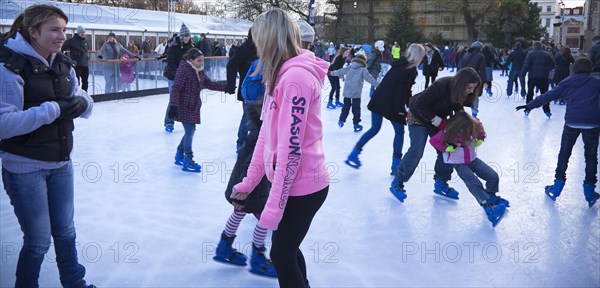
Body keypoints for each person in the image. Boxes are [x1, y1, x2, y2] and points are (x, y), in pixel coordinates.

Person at [230, 8, 330, 288]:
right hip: (294, 182)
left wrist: (274, 206)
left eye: (259, 40)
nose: (256, 46)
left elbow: (290, 150)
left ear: (270, 40)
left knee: (282, 252)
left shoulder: (295, 79)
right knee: (287, 248)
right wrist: (250, 181)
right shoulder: (279, 74)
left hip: (305, 185)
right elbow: (266, 134)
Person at [0, 4, 96, 288]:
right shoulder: (9, 68)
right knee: (39, 241)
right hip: (24, 167)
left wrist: (83, 104)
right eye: (54, 29)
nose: (61, 36)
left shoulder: (62, 63)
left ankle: (74, 282)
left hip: (61, 162)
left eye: (64, 30)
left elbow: (80, 96)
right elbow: (4, 124)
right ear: (33, 31)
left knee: (66, 231)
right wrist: (53, 110)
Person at [214, 59, 276, 278]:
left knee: (239, 212)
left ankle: (224, 246)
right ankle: (258, 257)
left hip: (244, 183)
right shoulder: (264, 131)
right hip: (254, 184)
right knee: (268, 217)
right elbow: (254, 162)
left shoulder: (255, 127)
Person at [516, 58, 600, 208]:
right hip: (593, 124)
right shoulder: (595, 82)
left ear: (574, 68)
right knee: (591, 157)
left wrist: (529, 105)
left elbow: (547, 96)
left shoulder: (568, 83)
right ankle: (589, 191)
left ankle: (556, 187)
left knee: (564, 154)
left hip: (572, 123)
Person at [389, 67, 481, 202]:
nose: (471, 91)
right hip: (417, 115)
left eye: (474, 88)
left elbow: (458, 109)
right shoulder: (441, 85)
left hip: (437, 120)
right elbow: (418, 104)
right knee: (417, 149)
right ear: (462, 83)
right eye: (470, 87)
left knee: (447, 148)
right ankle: (398, 181)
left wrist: (465, 124)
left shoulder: (461, 93)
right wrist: (435, 119)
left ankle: (441, 183)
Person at [345, 44, 425, 174]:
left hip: (379, 99)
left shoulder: (398, 64)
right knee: (399, 132)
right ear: (418, 56)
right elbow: (405, 91)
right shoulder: (410, 70)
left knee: (374, 129)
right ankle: (395, 165)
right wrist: (409, 107)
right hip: (392, 103)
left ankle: (353, 154)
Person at [429, 111, 509, 226]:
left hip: (472, 159)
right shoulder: (448, 132)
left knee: (492, 176)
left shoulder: (472, 125)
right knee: (473, 182)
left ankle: (490, 195)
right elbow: (434, 141)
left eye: (469, 129)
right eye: (464, 130)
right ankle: (488, 207)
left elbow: (480, 128)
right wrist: (446, 148)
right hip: (458, 163)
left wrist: (481, 138)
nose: (468, 132)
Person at [168, 48, 226, 172]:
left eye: (202, 61)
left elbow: (209, 84)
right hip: (184, 105)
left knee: (191, 130)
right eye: (199, 61)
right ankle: (188, 159)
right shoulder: (184, 70)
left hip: (193, 105)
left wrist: (226, 87)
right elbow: (176, 88)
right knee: (189, 131)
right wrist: (173, 106)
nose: (201, 63)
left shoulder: (199, 71)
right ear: (191, 60)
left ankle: (179, 154)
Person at [226, 28, 258, 153]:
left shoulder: (263, 47)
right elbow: (231, 64)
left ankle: (254, 144)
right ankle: (241, 143)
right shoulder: (244, 49)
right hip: (248, 90)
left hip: (262, 89)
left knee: (259, 118)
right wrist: (230, 84)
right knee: (248, 117)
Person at [330, 53, 379, 132]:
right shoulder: (363, 69)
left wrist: (332, 73)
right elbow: (370, 78)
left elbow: (341, 71)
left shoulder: (350, 67)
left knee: (346, 107)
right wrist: (378, 85)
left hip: (347, 91)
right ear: (363, 61)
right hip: (356, 93)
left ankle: (341, 120)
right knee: (356, 109)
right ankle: (356, 124)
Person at [163, 23, 194, 132]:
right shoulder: (173, 48)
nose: (187, 38)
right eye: (185, 36)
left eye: (188, 36)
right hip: (174, 77)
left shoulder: (191, 48)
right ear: (181, 36)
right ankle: (169, 123)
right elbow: (171, 64)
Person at [520, 41, 554, 118]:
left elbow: (526, 66)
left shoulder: (530, 54)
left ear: (533, 47)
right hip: (543, 77)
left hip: (532, 77)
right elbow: (552, 66)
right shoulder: (547, 55)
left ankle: (527, 109)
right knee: (544, 95)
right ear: (541, 46)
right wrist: (549, 74)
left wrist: (522, 75)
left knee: (530, 93)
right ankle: (547, 111)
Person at [460, 41, 485, 118]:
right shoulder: (480, 56)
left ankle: (461, 113)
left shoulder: (465, 54)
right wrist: (484, 81)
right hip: (475, 78)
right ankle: (474, 114)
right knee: (475, 96)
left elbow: (461, 66)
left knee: (463, 95)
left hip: (464, 78)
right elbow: (482, 70)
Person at [61, 25, 89, 91]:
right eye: (81, 32)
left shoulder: (85, 42)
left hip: (85, 65)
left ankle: (84, 94)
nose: (83, 34)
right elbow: (62, 47)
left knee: (85, 81)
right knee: (76, 82)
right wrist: (65, 56)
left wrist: (87, 58)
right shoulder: (72, 41)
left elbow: (86, 51)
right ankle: (75, 95)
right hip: (76, 64)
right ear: (78, 33)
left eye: (84, 32)